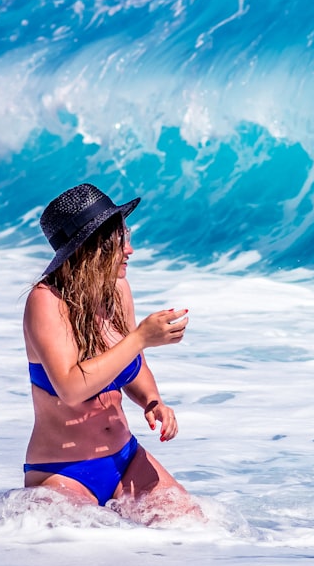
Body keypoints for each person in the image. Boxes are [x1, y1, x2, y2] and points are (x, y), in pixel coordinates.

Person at [22, 182, 195, 515]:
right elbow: (71, 388)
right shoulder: (46, 302)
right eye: (120, 240)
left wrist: (152, 400)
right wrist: (140, 337)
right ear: (92, 247)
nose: (130, 250)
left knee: (192, 528)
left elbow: (133, 363)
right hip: (63, 472)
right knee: (85, 551)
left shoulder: (116, 291)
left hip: (124, 458)